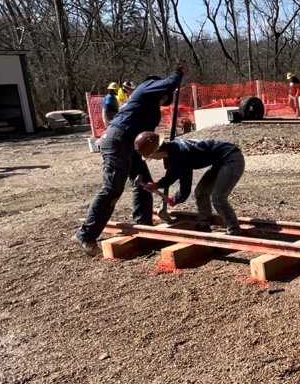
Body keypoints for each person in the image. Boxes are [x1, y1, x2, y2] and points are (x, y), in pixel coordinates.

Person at [75, 64, 185, 257]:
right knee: (112, 190)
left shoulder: (149, 105)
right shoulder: (147, 87)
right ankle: (86, 235)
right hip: (117, 141)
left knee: (143, 181)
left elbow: (145, 136)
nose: (166, 99)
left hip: (129, 144)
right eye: (166, 94)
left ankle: (143, 225)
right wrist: (178, 72)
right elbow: (171, 81)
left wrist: (162, 154)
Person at [136, 131, 245, 234]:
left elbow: (185, 187)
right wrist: (158, 184)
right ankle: (204, 225)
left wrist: (176, 199)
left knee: (218, 198)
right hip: (220, 162)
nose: (153, 159)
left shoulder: (180, 154)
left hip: (231, 158)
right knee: (201, 192)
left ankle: (234, 229)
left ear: (156, 151)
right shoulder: (173, 150)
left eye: (151, 157)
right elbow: (173, 174)